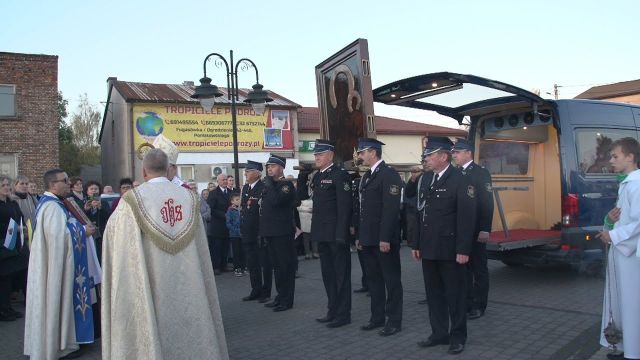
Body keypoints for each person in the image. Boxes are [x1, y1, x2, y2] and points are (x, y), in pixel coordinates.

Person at [101, 148, 229, 360]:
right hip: (190, 282)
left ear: (144, 172)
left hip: (152, 282)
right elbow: (201, 246)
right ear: (169, 169)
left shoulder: (131, 200)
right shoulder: (189, 198)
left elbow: (115, 238)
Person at [411, 137, 477, 355]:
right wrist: (416, 243)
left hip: (450, 250)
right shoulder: (427, 179)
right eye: (426, 155)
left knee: (455, 296)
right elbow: (421, 214)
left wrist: (463, 250)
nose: (426, 159)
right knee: (434, 295)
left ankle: (458, 337)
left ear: (443, 156)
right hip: (429, 247)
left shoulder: (460, 180)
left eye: (430, 155)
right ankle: (439, 333)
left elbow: (467, 219)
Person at [24, 169, 99, 359]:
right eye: (64, 180)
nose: (68, 183)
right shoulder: (51, 207)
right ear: (53, 184)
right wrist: (83, 231)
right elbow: (58, 238)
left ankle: (67, 341)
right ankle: (59, 345)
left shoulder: (56, 204)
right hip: (56, 268)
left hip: (63, 266)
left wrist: (80, 228)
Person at [297, 139, 353, 328]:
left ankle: (343, 314)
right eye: (315, 155)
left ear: (330, 156)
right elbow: (307, 200)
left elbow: (344, 208)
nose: (317, 158)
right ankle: (332, 309)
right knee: (328, 275)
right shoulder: (318, 177)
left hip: (336, 234)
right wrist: (302, 177)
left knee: (341, 275)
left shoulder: (340, 175)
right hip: (321, 233)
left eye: (320, 155)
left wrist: (341, 234)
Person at [597, 137, 640, 360]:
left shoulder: (637, 185)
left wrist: (612, 234)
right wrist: (609, 222)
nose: (611, 160)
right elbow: (624, 219)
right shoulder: (627, 183)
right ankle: (626, 347)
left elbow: (638, 222)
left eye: (615, 156)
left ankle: (634, 352)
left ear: (631, 157)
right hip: (623, 255)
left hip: (632, 258)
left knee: (632, 303)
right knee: (623, 302)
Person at [355, 138, 404, 336]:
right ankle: (377, 318)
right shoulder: (367, 176)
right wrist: (360, 237)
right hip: (368, 238)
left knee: (391, 281)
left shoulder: (389, 174)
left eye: (362, 152)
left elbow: (390, 210)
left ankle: (394, 321)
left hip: (384, 239)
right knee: (374, 281)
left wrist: (385, 238)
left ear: (373, 152)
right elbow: (363, 210)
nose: (360, 156)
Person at [451, 138, 494, 320]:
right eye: (453, 152)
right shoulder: (455, 173)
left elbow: (486, 203)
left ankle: (479, 305)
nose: (454, 155)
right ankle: (467, 302)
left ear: (468, 152)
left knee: (479, 269)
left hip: (476, 229)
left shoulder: (480, 173)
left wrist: (485, 229)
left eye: (457, 152)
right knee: (464, 269)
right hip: (461, 230)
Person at [260, 154, 297, 312]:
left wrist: (268, 184)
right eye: (268, 166)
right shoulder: (269, 185)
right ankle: (280, 296)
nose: (269, 169)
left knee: (285, 267)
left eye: (273, 166)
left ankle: (287, 300)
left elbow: (276, 201)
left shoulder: (286, 185)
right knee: (276, 267)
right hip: (271, 232)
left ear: (281, 168)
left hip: (282, 233)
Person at [240, 161, 272, 303]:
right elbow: (244, 208)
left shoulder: (263, 187)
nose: (245, 173)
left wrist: (262, 232)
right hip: (248, 232)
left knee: (264, 264)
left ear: (257, 173)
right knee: (252, 263)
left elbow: (264, 212)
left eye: (249, 171)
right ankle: (255, 289)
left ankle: (266, 292)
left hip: (259, 232)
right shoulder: (246, 187)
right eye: (245, 171)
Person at [0, 175, 28, 322]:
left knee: (10, 278)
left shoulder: (12, 203)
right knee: (3, 279)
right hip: (2, 245)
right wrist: (13, 228)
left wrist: (22, 227)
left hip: (14, 245)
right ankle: (3, 310)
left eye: (7, 185)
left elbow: (20, 217)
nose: (6, 187)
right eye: (3, 185)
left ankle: (7, 308)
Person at [208, 174, 231, 275]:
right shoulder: (213, 193)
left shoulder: (231, 192)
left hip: (228, 224)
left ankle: (224, 265)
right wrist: (224, 215)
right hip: (217, 224)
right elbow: (211, 209)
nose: (225, 181)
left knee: (225, 245)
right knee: (216, 247)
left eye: (226, 179)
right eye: (223, 180)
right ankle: (216, 266)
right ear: (218, 181)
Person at [226, 193, 245, 276]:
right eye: (237, 200)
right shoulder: (230, 210)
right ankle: (237, 268)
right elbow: (228, 223)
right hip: (234, 235)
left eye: (239, 199)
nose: (239, 201)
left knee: (242, 251)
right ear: (232, 201)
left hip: (242, 234)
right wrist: (237, 231)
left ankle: (243, 267)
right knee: (236, 252)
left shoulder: (241, 209)